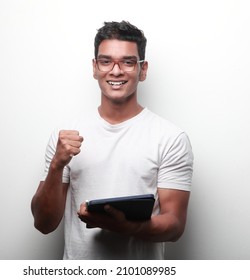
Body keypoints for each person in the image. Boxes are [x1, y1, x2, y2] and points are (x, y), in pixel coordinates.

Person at [31, 21, 194, 260]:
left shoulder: (170, 138)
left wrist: (127, 227)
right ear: (95, 67)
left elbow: (175, 226)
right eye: (106, 61)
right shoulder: (66, 137)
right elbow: (43, 224)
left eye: (127, 62)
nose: (115, 71)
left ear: (143, 69)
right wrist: (57, 164)